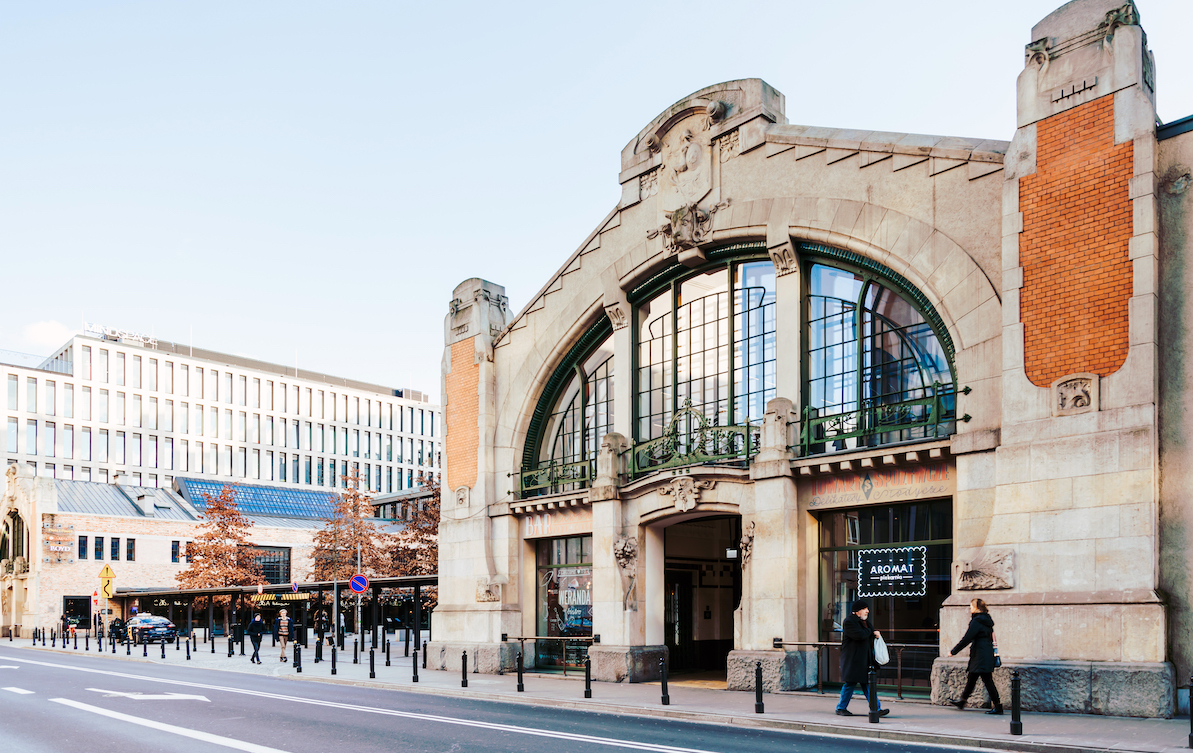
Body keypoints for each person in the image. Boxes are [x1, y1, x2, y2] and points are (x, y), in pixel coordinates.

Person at [836, 600, 890, 717]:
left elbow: (867, 635)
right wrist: (872, 632)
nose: (867, 611)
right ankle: (841, 708)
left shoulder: (865, 622)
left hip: (864, 660)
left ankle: (876, 708)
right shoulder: (849, 622)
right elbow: (859, 635)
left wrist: (873, 633)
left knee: (867, 684)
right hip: (853, 660)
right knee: (850, 683)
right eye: (865, 609)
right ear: (857, 611)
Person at [949, 598, 1003, 714]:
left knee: (987, 680)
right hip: (985, 653)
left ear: (976, 607)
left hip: (980, 655)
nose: (970, 609)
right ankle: (962, 701)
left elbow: (967, 638)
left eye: (971, 606)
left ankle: (998, 706)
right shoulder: (987, 621)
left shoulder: (977, 621)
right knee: (972, 678)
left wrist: (953, 651)